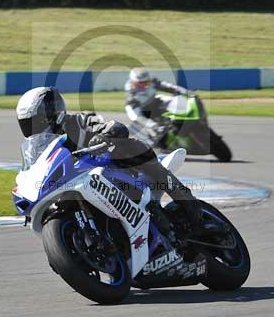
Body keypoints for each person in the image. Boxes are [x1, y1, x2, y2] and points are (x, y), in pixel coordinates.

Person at [15, 86, 208, 231]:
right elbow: (34, 171)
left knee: (136, 151)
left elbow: (105, 125)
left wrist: (106, 133)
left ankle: (189, 204)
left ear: (53, 114)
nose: (32, 128)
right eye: (27, 124)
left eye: (36, 121)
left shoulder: (79, 122)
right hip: (76, 188)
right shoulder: (36, 149)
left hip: (113, 172)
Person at [124, 67, 190, 136]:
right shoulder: (131, 98)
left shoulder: (152, 82)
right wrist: (154, 126)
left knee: (175, 105)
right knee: (158, 138)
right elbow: (138, 117)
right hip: (145, 115)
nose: (144, 84)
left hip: (155, 104)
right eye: (140, 82)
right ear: (133, 82)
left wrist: (185, 92)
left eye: (146, 81)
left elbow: (168, 86)